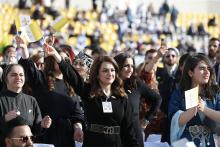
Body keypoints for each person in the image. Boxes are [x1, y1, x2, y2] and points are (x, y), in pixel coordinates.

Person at [45, 43, 139, 147]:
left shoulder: (122, 97)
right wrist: (56, 56)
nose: (110, 73)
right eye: (105, 70)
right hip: (94, 142)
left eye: (112, 70)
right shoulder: (89, 91)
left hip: (116, 143)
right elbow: (72, 76)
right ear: (97, 74)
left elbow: (129, 131)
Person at [16, 36, 84, 147]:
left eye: (67, 60)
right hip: (45, 133)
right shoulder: (42, 78)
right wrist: (24, 48)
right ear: (52, 59)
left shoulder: (71, 84)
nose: (62, 61)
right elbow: (29, 68)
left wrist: (78, 128)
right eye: (58, 58)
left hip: (66, 135)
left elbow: (77, 113)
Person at [168, 54, 220, 146]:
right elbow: (174, 121)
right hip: (186, 143)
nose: (207, 72)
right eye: (202, 68)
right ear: (190, 72)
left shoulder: (215, 93)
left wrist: (205, 109)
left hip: (211, 142)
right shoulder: (179, 94)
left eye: (208, 68)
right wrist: (192, 110)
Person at [114, 53, 162, 146]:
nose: (130, 69)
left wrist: (146, 119)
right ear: (118, 66)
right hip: (114, 135)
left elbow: (157, 99)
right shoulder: (108, 84)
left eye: (132, 66)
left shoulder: (136, 83)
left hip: (134, 134)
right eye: (126, 66)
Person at [0, 64, 52, 146]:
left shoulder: (31, 100)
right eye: (13, 75)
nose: (18, 77)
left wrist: (42, 125)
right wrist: (4, 119)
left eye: (21, 75)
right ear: (5, 79)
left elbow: (35, 130)